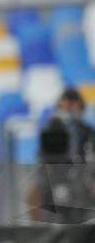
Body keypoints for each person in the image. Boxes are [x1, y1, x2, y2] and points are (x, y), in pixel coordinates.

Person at [27, 88, 95, 223]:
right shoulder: (50, 132)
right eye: (63, 108)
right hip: (52, 174)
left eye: (72, 108)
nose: (68, 113)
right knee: (33, 191)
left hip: (83, 176)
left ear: (81, 109)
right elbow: (41, 157)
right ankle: (37, 230)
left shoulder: (88, 132)